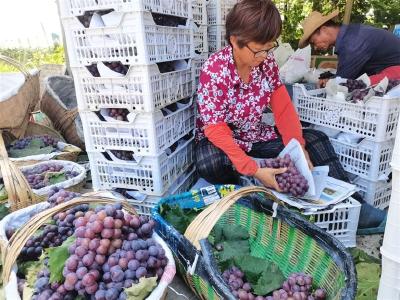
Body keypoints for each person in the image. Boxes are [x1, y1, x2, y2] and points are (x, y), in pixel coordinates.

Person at [194, 0, 385, 234]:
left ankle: (355, 206)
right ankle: (250, 189)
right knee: (209, 163)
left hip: (254, 136)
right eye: (258, 50)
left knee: (316, 139)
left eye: (269, 48)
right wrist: (252, 168)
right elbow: (215, 129)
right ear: (235, 41)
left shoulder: (266, 65)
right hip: (224, 142)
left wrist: (299, 147)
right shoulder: (215, 70)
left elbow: (283, 109)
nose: (264, 56)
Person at [298, 10, 400, 86]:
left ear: (324, 30)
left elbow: (343, 78)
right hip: (386, 69)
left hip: (395, 71)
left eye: (314, 42)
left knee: (352, 86)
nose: (315, 47)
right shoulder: (350, 34)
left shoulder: (352, 42)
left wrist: (330, 81)